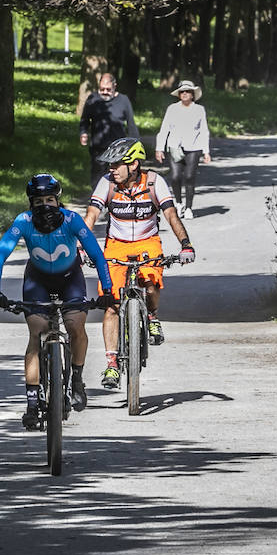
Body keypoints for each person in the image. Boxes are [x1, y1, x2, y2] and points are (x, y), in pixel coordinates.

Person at [0, 174, 115, 429]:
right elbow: (0, 254)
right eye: (38, 201)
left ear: (58, 200)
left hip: (70, 279)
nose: (44, 205)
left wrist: (108, 290)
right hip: (37, 281)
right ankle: (33, 402)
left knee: (76, 326)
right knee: (36, 333)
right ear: (30, 203)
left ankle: (77, 378)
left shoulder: (72, 220)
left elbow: (98, 256)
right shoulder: (23, 222)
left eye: (50, 200)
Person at [85, 138, 196, 389]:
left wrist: (185, 244)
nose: (111, 169)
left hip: (148, 242)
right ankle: (112, 364)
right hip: (116, 245)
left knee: (150, 281)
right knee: (111, 304)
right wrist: (81, 246)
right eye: (110, 165)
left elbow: (170, 214)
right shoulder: (108, 184)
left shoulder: (155, 182)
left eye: (116, 165)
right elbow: (92, 214)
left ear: (133, 164)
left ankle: (153, 316)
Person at [154, 80, 211, 219]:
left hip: (194, 147)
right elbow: (164, 129)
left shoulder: (199, 110)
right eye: (182, 92)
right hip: (175, 147)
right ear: (179, 95)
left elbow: (204, 130)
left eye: (188, 92)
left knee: (190, 177)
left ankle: (189, 207)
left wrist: (206, 151)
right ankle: (179, 203)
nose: (185, 94)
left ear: (193, 95)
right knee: (175, 177)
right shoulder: (172, 109)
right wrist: (159, 148)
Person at [79, 72, 138, 183]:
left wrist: (135, 143)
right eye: (102, 89)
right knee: (97, 178)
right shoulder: (93, 99)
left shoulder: (124, 100)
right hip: (98, 148)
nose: (105, 92)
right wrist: (83, 132)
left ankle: (114, 199)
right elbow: (84, 119)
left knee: (117, 178)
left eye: (108, 89)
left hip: (118, 148)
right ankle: (97, 199)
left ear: (114, 86)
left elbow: (131, 124)